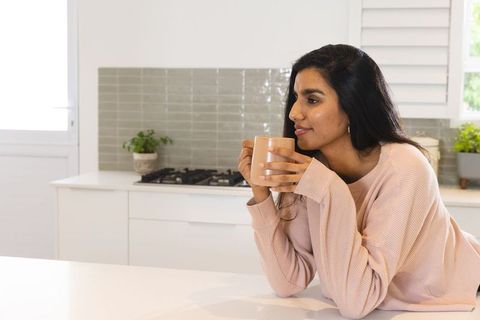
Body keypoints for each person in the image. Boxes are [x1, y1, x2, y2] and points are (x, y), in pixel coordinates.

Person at [237, 44, 480, 319]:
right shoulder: (312, 171)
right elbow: (287, 281)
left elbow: (356, 303)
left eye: (312, 100)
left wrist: (329, 190)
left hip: (446, 300)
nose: (294, 112)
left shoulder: (405, 168)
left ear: (352, 105)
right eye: (295, 97)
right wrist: (261, 195)